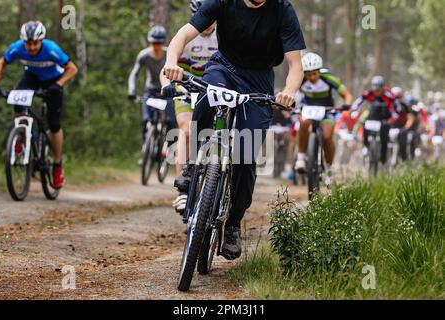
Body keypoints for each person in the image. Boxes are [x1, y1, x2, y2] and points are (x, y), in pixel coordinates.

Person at [163, 0, 306, 260]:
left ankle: (231, 225)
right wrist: (172, 62)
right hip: (223, 68)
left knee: (245, 156)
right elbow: (183, 34)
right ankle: (193, 163)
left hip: (260, 79)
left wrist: (288, 91)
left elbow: (295, 64)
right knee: (208, 97)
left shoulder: (282, 9)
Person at [0, 21, 78, 189]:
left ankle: (57, 165)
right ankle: (21, 137)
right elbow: (2, 62)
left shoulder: (51, 49)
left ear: (41, 40)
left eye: (35, 43)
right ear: (23, 42)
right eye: (28, 44)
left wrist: (59, 84)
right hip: (31, 77)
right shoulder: (17, 48)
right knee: (17, 103)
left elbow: (72, 68)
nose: (31, 47)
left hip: (54, 81)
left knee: (54, 124)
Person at [161, 0, 218, 214]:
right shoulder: (186, 35)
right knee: (186, 131)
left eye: (210, 18)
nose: (206, 24)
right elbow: (167, 65)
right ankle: (183, 189)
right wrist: (167, 84)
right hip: (187, 91)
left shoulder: (225, 36)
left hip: (213, 92)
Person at [295, 52, 353, 183]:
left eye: (314, 73)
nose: (312, 77)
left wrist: (347, 106)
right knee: (303, 123)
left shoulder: (329, 78)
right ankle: (301, 158)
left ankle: (329, 168)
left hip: (327, 109)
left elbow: (347, 95)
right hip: (308, 107)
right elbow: (292, 92)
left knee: (327, 136)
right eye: (308, 74)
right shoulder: (301, 79)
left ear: (319, 71)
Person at [128, 25, 176, 162]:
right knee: (146, 121)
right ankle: (146, 150)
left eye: (159, 43)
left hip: (166, 90)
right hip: (150, 90)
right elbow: (134, 74)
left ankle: (169, 149)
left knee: (171, 120)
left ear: (163, 43)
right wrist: (131, 90)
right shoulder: (144, 55)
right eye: (154, 42)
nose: (156, 46)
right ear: (150, 42)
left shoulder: (169, 54)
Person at [352, 75, 395, 164]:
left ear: (382, 88)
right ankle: (366, 146)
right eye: (375, 89)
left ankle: (383, 158)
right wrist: (354, 108)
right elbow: (359, 100)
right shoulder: (369, 93)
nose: (376, 92)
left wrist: (391, 118)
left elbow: (394, 108)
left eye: (379, 90)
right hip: (372, 117)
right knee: (364, 127)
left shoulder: (389, 96)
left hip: (384, 118)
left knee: (384, 139)